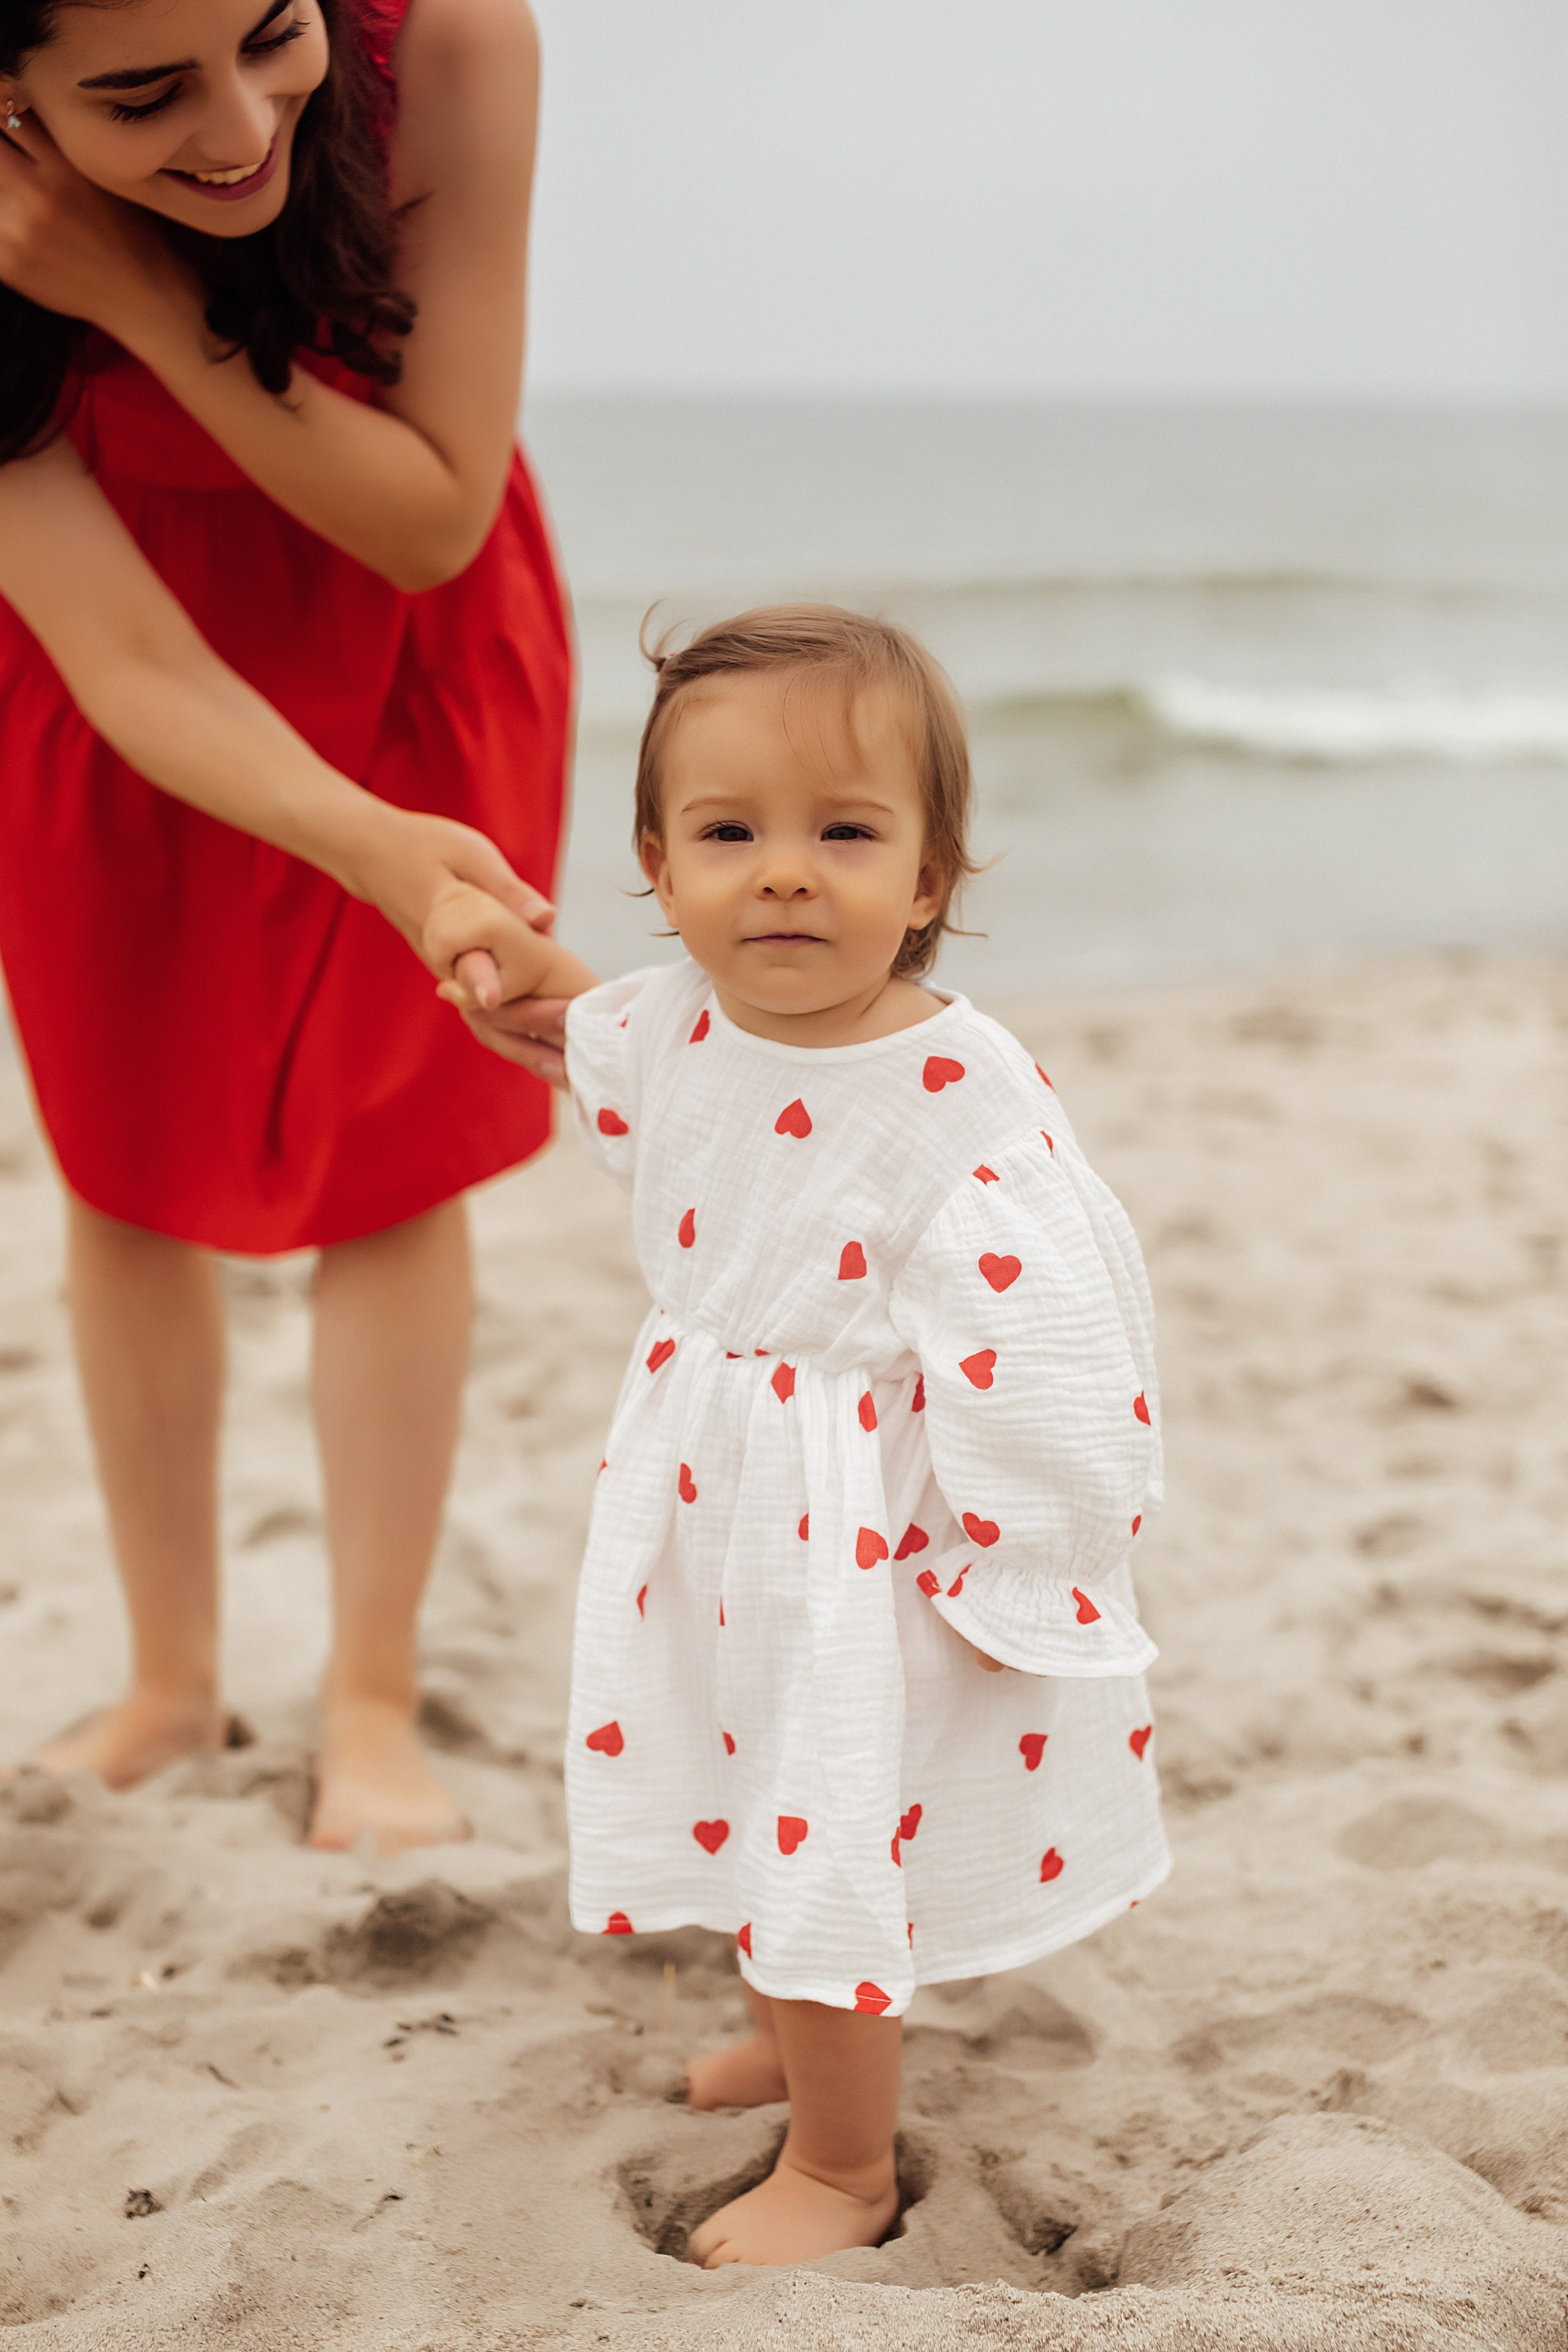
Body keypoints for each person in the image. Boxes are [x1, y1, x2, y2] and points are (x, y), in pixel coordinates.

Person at [452, 605, 1169, 2266]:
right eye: (729, 835)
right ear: (659, 863)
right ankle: (781, 2038)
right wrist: (543, 1001)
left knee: (829, 1805)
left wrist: (1025, 1559)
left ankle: (843, 2165)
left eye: (844, 833)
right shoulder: (682, 1022)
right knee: (730, 1753)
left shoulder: (956, 1094)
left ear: (931, 878)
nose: (783, 874)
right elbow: (615, 1047)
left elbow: (1057, 1332)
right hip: (709, 1497)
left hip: (873, 1535)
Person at [0, 0, 571, 1852]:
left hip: (411, 636)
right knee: (122, 1146)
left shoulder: (458, 46)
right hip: (118, 671)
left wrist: (145, 296)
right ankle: (174, 1679)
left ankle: (372, 1700)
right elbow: (125, 654)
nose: (244, 126)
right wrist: (365, 852)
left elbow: (428, 516)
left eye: (271, 35)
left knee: (391, 1160)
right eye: (145, 96)